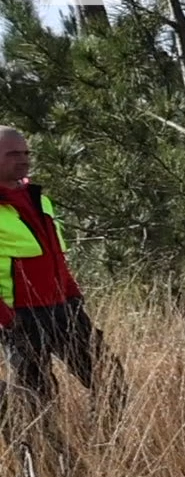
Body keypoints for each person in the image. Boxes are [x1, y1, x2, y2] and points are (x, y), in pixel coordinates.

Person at [0, 126, 109, 412]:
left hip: (64, 309)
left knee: (108, 379)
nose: (23, 159)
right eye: (13, 154)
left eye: (25, 153)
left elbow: (56, 255)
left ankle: (108, 449)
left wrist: (73, 295)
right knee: (40, 402)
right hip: (22, 318)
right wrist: (8, 319)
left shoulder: (40, 200)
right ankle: (47, 455)